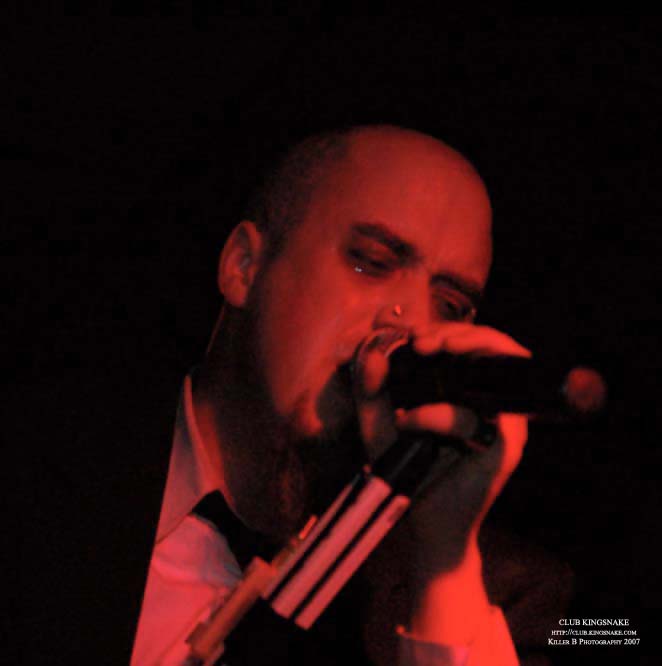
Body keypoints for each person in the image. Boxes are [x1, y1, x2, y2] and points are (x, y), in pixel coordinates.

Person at [129, 124, 566, 666]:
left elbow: (610, 635)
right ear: (244, 266)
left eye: (450, 306)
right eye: (371, 262)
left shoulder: (514, 597)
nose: (411, 321)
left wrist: (443, 570)